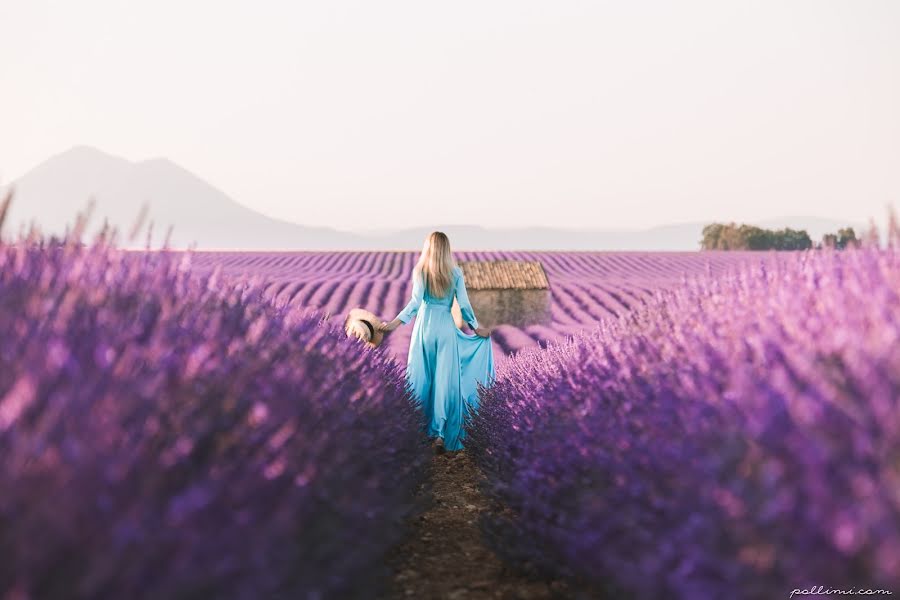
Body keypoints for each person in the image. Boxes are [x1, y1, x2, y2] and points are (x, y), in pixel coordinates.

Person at [379, 231, 494, 453]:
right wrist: (475, 327)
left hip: (425, 327)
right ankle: (439, 433)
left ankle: (417, 429)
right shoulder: (455, 273)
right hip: (446, 328)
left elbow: (415, 303)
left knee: (420, 377)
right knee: (443, 381)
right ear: (446, 249)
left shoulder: (421, 271)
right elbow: (463, 305)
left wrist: (394, 323)